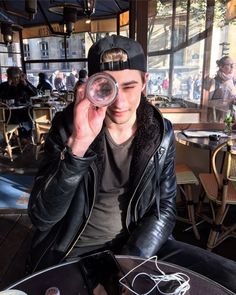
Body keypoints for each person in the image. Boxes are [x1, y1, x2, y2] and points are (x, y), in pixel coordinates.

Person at [27, 35, 236, 293]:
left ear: (145, 82)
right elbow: (41, 217)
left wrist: (131, 262)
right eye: (107, 88)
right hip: (73, 250)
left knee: (228, 277)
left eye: (129, 86)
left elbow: (166, 207)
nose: (119, 102)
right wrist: (78, 144)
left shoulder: (160, 132)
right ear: (92, 86)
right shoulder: (67, 126)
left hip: (140, 244)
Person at [205, 56, 236, 121]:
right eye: (229, 65)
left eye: (233, 64)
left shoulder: (231, 81)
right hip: (216, 118)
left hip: (228, 116)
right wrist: (226, 101)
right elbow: (207, 103)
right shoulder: (214, 81)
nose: (232, 67)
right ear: (221, 67)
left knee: (228, 130)